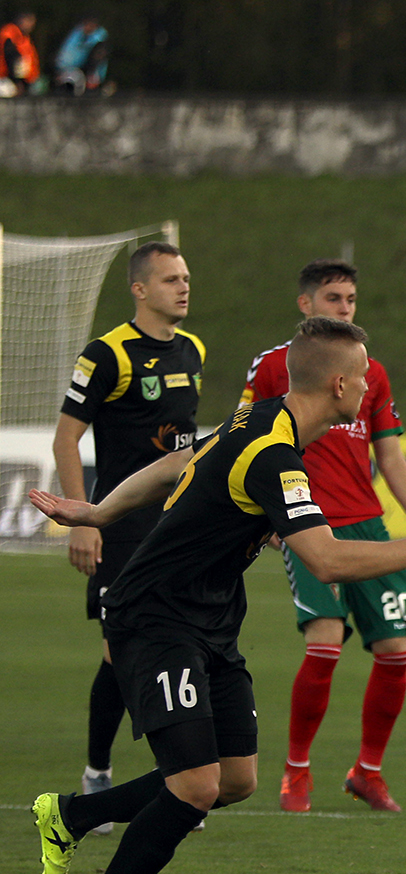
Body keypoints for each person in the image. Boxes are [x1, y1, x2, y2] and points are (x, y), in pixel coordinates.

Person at [29, 317, 406, 874]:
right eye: (362, 375)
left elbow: (178, 463)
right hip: (156, 618)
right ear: (338, 385)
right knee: (195, 784)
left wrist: (100, 510)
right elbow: (326, 560)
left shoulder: (261, 419)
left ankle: (70, 816)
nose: (368, 385)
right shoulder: (274, 456)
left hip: (212, 620)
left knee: (235, 780)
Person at [239, 260, 406, 814]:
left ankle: (367, 771)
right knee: (324, 644)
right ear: (306, 304)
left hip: (368, 523)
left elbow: (388, 452)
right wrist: (263, 516)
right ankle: (296, 770)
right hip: (307, 521)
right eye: (333, 298)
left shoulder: (372, 373)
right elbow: (243, 436)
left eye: (350, 299)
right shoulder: (274, 366)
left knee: (395, 650)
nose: (344, 307)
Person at [51, 242, 204, 835]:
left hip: (177, 526)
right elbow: (67, 439)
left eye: (185, 277)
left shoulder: (193, 350)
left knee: (186, 644)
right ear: (140, 290)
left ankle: (185, 777)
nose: (183, 287)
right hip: (120, 526)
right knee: (121, 653)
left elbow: (186, 446)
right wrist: (84, 520)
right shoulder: (106, 355)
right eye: (170, 279)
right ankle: (97, 773)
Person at [51, 13, 106, 94]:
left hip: (90, 74)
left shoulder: (100, 39)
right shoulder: (75, 35)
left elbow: (98, 58)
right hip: (71, 71)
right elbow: (66, 55)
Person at [0, 10, 38, 96]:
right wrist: (18, 82)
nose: (31, 25)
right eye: (29, 21)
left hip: (22, 80)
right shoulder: (10, 34)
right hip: (5, 79)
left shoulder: (23, 36)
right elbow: (12, 58)